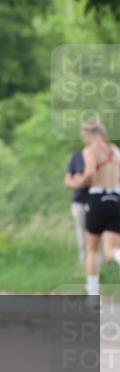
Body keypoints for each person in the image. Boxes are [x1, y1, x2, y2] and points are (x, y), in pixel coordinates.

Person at [67, 117, 120, 297]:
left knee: (92, 249)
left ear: (89, 133)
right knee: (111, 250)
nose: (84, 139)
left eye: (84, 135)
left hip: (97, 199)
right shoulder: (115, 150)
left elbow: (90, 172)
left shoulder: (90, 151)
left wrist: (78, 181)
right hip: (116, 199)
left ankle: (92, 294)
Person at [65, 147, 90, 267]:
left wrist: (81, 178)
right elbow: (68, 180)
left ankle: (102, 264)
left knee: (98, 235)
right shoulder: (77, 156)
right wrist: (80, 181)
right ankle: (83, 263)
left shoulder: (102, 154)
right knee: (81, 234)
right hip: (79, 201)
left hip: (96, 201)